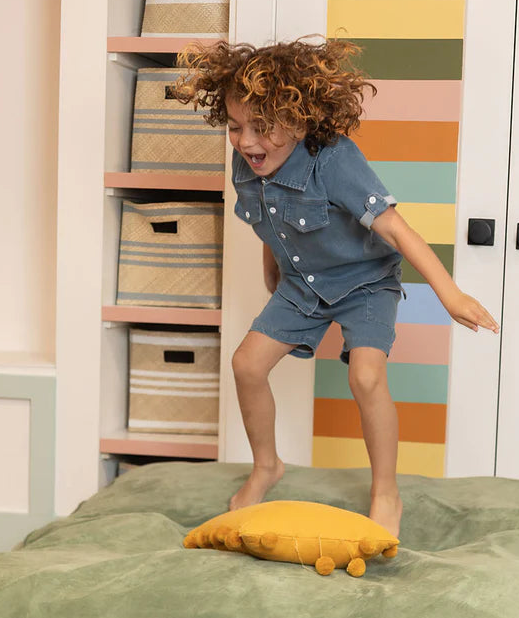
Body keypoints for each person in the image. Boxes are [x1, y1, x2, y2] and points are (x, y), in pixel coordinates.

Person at [175, 37, 499, 535]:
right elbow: (271, 221)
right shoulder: (249, 165)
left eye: (262, 128)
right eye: (236, 127)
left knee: (366, 377)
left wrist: (449, 294)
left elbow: (394, 228)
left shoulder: (335, 161)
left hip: (366, 283)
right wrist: (274, 272)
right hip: (302, 285)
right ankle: (267, 466)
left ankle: (386, 493)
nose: (246, 142)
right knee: (246, 364)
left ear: (301, 121)